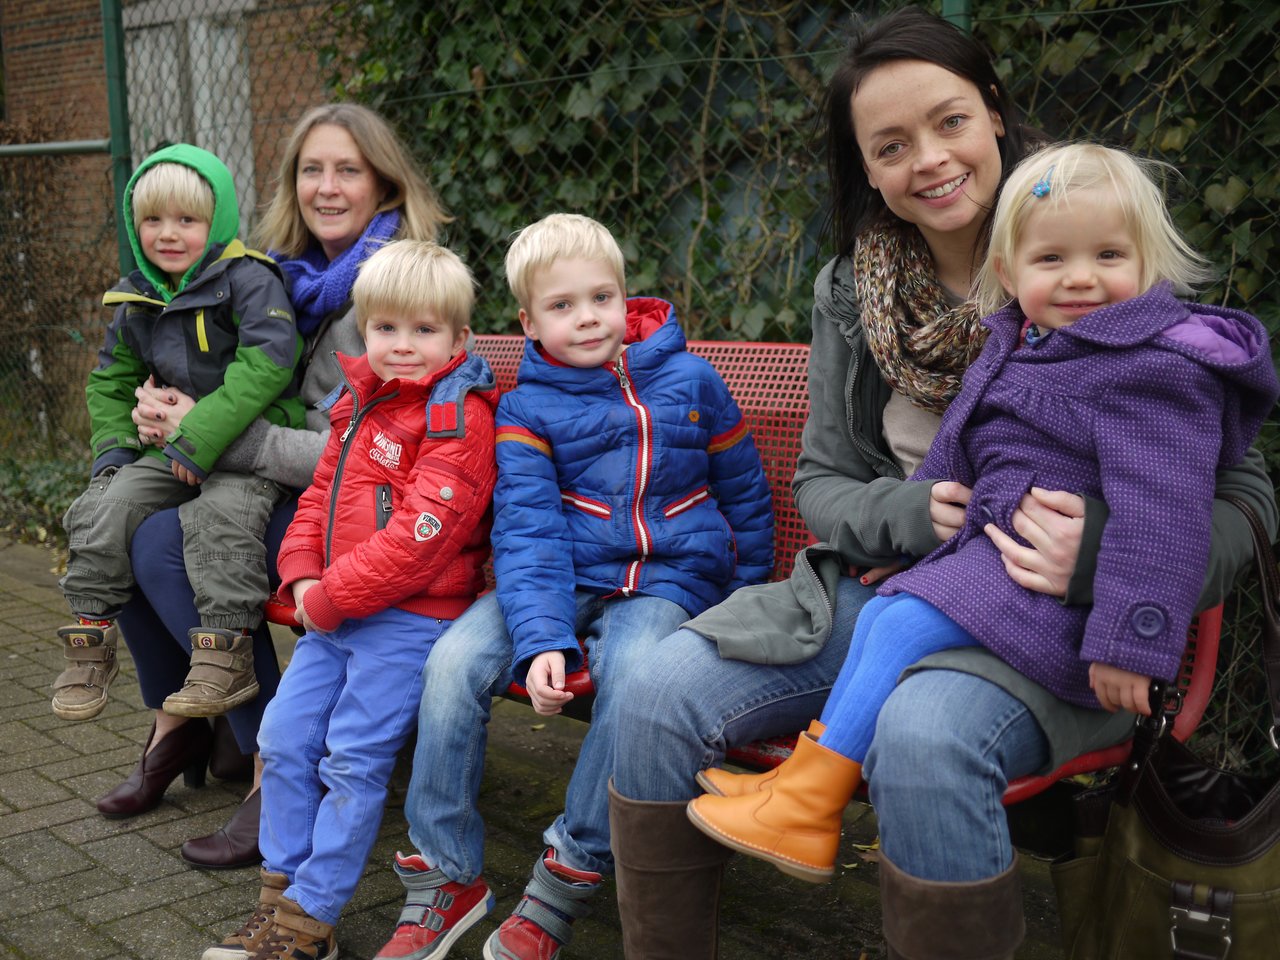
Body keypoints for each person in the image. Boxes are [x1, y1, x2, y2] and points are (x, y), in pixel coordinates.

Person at [605, 9, 1278, 959]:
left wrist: (1097, 557)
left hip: (1066, 615)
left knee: (923, 737)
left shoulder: (1102, 241)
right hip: (897, 583)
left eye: (950, 121)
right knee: (655, 688)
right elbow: (824, 480)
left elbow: (1243, 499)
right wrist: (915, 512)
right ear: (867, 167)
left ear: (993, 112)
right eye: (891, 145)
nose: (928, 159)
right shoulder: (856, 290)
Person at [685, 141, 1278, 882]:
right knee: (885, 617)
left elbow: (1163, 517)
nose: (1081, 277)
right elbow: (959, 455)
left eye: (1108, 255)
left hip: (1062, 607)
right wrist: (918, 555)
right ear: (1008, 272)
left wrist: (1131, 641)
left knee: (897, 624)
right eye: (1052, 259)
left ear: (1149, 264)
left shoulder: (1153, 371)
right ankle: (803, 788)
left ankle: (806, 804)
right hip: (996, 565)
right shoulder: (1022, 341)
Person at [373, 213, 773, 960]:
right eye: (562, 306)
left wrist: (748, 599)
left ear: (625, 296)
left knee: (640, 679)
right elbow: (528, 531)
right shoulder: (527, 408)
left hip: (669, 583)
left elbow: (744, 491)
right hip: (560, 579)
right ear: (529, 322)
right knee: (452, 661)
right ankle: (445, 872)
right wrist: (544, 639)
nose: (586, 317)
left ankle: (564, 880)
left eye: (600, 298)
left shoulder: (692, 381)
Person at [104, 104, 449, 873]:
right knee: (130, 525)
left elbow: (379, 450)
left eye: (348, 170)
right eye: (311, 170)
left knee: (169, 547)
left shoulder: (403, 283)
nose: (326, 187)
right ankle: (188, 725)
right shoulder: (273, 271)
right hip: (281, 482)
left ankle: (272, 765)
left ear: (384, 184)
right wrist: (160, 407)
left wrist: (219, 433)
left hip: (372, 509)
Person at [204, 239, 498, 960]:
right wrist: (302, 573)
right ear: (364, 330)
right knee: (283, 739)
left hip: (407, 621)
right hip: (336, 610)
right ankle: (279, 896)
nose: (402, 345)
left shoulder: (457, 419)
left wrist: (330, 596)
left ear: (459, 339)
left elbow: (421, 539)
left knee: (351, 761)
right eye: (386, 328)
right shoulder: (358, 402)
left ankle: (310, 919)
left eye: (424, 330)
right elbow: (317, 499)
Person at [54, 143, 302, 725]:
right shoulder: (136, 297)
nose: (168, 233)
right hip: (170, 448)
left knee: (219, 522)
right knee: (106, 506)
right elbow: (111, 382)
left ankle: (225, 652)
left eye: (187, 219)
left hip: (246, 449)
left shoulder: (249, 280)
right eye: (152, 220)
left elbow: (266, 366)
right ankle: (89, 640)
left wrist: (198, 435)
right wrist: (114, 454)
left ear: (216, 221)